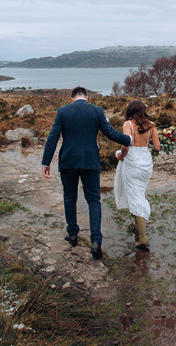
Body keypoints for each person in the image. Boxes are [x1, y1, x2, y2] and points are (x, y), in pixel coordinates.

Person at [41, 86, 131, 259]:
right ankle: (96, 241)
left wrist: (46, 162)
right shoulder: (97, 111)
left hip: (68, 161)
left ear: (72, 99)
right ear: (87, 98)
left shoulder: (62, 111)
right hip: (90, 161)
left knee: (69, 197)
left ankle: (73, 234)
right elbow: (110, 133)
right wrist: (129, 140)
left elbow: (53, 137)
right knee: (94, 200)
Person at [114, 100, 161, 251]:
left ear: (130, 110)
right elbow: (158, 147)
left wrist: (121, 156)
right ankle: (137, 224)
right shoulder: (152, 125)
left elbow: (126, 144)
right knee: (138, 193)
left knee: (135, 196)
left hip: (132, 162)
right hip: (146, 163)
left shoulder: (128, 124)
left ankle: (143, 238)